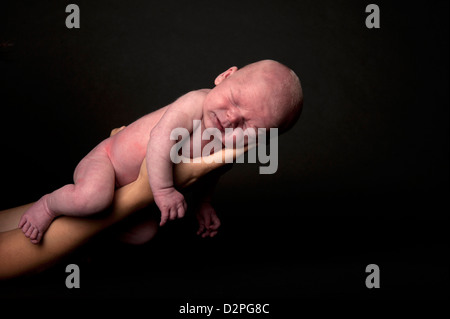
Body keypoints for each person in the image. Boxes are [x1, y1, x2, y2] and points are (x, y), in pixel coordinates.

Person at [18, 59, 303, 244]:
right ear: (225, 76)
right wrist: (164, 190)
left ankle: (88, 238)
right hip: (108, 163)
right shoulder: (195, 103)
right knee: (94, 198)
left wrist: (203, 204)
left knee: (144, 234)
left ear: (263, 140)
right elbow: (159, 140)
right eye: (232, 101)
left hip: (132, 194)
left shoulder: (229, 147)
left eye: (248, 126)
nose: (229, 119)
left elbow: (210, 176)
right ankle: (49, 205)